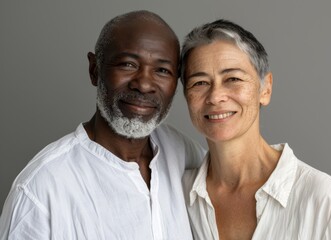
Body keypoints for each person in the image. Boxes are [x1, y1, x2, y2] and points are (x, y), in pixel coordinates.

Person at [0, 11, 205, 239]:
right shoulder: (41, 188)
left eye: (162, 70)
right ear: (94, 69)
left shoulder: (186, 155)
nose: (144, 84)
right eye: (128, 64)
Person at [180, 19, 331, 239]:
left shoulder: (323, 199)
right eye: (200, 83)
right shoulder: (175, 196)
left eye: (233, 79)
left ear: (265, 89)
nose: (216, 96)